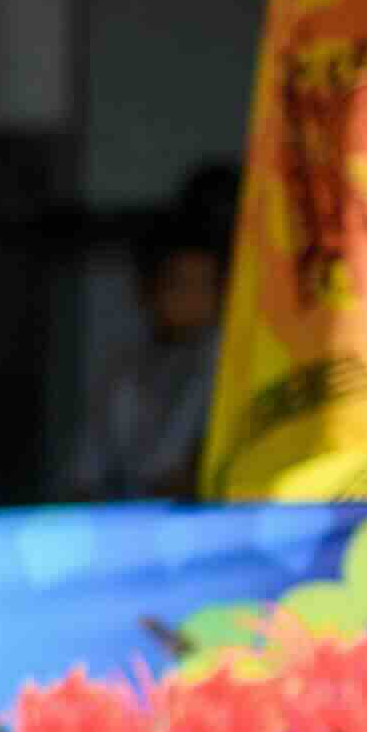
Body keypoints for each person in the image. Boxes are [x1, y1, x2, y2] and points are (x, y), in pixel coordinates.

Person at [66, 161, 239, 503]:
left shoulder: (227, 364)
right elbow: (85, 475)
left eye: (203, 286)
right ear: (147, 289)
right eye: (178, 285)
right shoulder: (127, 369)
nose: (192, 299)